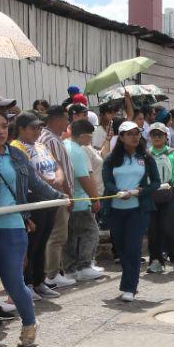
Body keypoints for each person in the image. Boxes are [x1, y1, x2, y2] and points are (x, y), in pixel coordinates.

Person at [0, 109, 66, 347]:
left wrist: (61, 197)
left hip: (11, 227)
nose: (0, 131)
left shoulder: (16, 155)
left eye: (4, 126)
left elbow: (35, 183)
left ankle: (29, 322)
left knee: (13, 281)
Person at [102, 121, 160, 301]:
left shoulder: (146, 157)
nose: (134, 137)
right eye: (129, 134)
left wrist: (142, 191)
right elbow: (108, 182)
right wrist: (117, 192)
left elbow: (156, 182)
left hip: (138, 210)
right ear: (121, 137)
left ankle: (129, 286)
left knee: (133, 248)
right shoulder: (111, 159)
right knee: (122, 249)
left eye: (137, 133)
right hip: (115, 211)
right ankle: (129, 281)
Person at [9, 111, 61, 298]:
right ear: (21, 129)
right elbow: (31, 175)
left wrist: (58, 181)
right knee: (31, 244)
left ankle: (40, 280)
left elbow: (56, 166)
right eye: (33, 127)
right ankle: (28, 282)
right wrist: (49, 185)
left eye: (40, 127)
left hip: (50, 199)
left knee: (42, 241)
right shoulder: (16, 147)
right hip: (33, 199)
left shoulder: (40, 145)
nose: (38, 131)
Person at [38, 106, 75, 289]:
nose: (68, 123)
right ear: (57, 119)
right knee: (57, 235)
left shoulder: (49, 138)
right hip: (58, 194)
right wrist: (67, 195)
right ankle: (51, 275)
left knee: (56, 235)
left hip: (57, 194)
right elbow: (56, 170)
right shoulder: (50, 140)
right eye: (66, 119)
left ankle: (53, 272)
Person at [62, 118, 104, 280]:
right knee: (91, 232)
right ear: (83, 136)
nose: (90, 140)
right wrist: (95, 199)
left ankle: (70, 269)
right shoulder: (78, 151)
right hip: (80, 200)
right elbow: (84, 177)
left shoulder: (63, 145)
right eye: (89, 137)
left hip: (67, 201)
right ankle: (85, 265)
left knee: (70, 237)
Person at [146, 123, 174, 273]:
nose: (156, 138)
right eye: (153, 135)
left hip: (171, 194)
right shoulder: (145, 154)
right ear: (149, 137)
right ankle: (156, 260)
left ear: (166, 137)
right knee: (153, 229)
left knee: (168, 227)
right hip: (151, 195)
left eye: (160, 135)